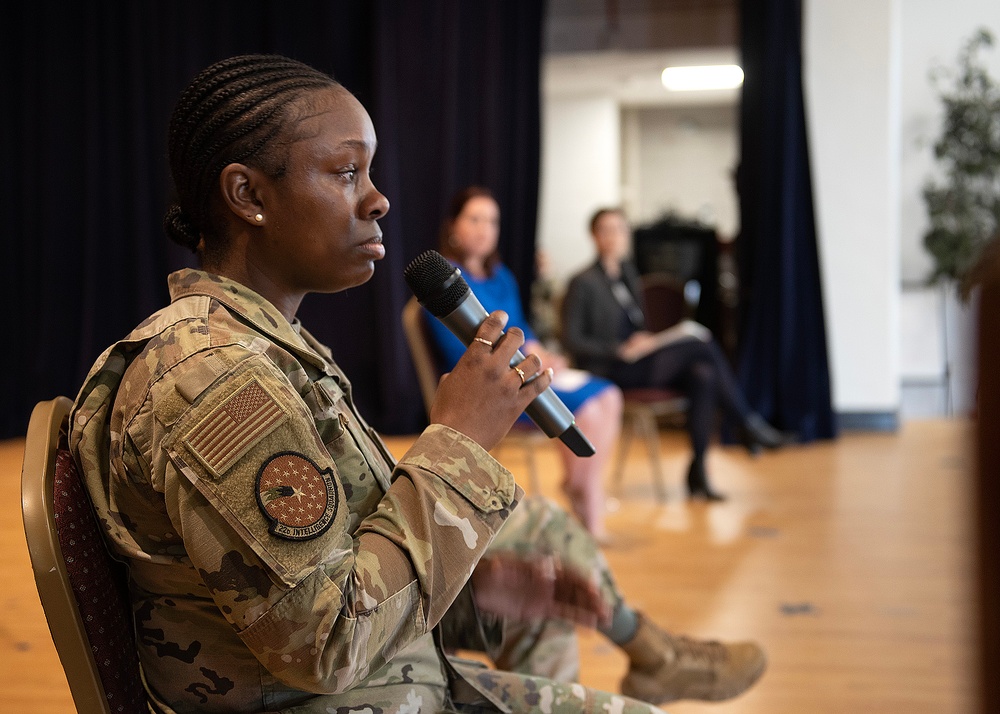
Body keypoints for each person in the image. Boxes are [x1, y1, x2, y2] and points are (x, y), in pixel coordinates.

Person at [66, 54, 762, 713]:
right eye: (345, 172)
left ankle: (647, 651)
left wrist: (475, 590)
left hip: (390, 684)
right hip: (359, 693)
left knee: (540, 574)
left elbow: (322, 585)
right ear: (248, 194)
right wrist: (458, 439)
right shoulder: (214, 379)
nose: (378, 200)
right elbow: (326, 646)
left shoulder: (263, 351)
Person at [426, 186, 622, 540]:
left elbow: (521, 330)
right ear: (454, 226)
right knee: (590, 412)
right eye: (475, 218)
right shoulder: (444, 283)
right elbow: (461, 350)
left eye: (492, 221)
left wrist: (543, 354)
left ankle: (580, 487)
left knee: (610, 396)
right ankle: (588, 499)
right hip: (492, 383)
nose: (485, 228)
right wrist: (528, 361)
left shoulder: (502, 275)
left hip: (525, 367)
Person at [561, 207, 793, 501]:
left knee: (703, 374)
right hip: (610, 369)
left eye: (620, 229)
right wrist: (617, 349)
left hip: (639, 359)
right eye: (607, 229)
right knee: (701, 345)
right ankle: (745, 422)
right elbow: (571, 339)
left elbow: (636, 323)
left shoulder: (629, 275)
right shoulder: (583, 282)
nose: (614, 236)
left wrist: (643, 339)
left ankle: (699, 471)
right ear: (594, 236)